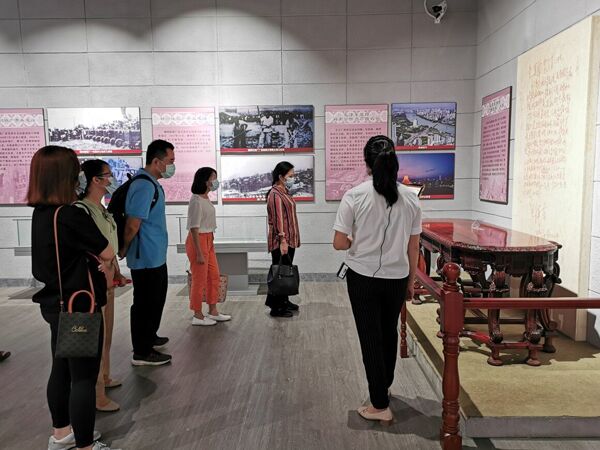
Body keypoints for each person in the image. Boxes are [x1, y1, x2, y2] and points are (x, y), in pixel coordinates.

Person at [28, 146, 116, 450]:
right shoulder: (70, 215)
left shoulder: (41, 213)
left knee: (61, 369)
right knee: (83, 377)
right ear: (64, 175)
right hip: (80, 306)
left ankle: (61, 434)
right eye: (76, 168)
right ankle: (84, 446)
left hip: (55, 303)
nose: (79, 174)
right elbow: (107, 250)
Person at [332, 135, 421, 426]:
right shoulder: (411, 197)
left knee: (370, 337)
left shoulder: (354, 195)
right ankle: (384, 386)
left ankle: (380, 404)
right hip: (397, 277)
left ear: (367, 163)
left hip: (363, 277)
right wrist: (411, 282)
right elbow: (413, 246)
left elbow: (338, 243)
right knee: (388, 333)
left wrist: (356, 242)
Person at [77, 160, 127, 413]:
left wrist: (116, 269)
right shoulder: (81, 210)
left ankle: (104, 377)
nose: (112, 179)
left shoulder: (101, 208)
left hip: (107, 277)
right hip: (94, 280)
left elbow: (109, 243)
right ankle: (97, 395)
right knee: (95, 338)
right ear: (95, 180)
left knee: (107, 333)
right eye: (107, 175)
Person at [119, 139, 174, 366]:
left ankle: (149, 336)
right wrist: (124, 247)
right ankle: (141, 351)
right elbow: (133, 224)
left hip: (155, 255)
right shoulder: (144, 186)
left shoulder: (152, 183)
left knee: (156, 299)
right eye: (170, 161)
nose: (172, 165)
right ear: (156, 162)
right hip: (145, 257)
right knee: (144, 303)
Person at [186, 167, 231, 326]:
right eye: (213, 178)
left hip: (208, 239)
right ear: (205, 180)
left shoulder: (205, 198)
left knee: (214, 275)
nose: (215, 181)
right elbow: (194, 227)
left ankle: (213, 310)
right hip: (198, 241)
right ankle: (197, 315)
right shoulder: (196, 200)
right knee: (199, 279)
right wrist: (199, 252)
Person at [265, 161, 301, 318]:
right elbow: (278, 219)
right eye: (290, 176)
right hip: (281, 241)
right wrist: (283, 240)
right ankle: (276, 307)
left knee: (285, 271)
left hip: (289, 239)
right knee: (279, 272)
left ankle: (283, 301)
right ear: (281, 177)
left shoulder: (284, 192)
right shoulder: (275, 194)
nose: (293, 178)